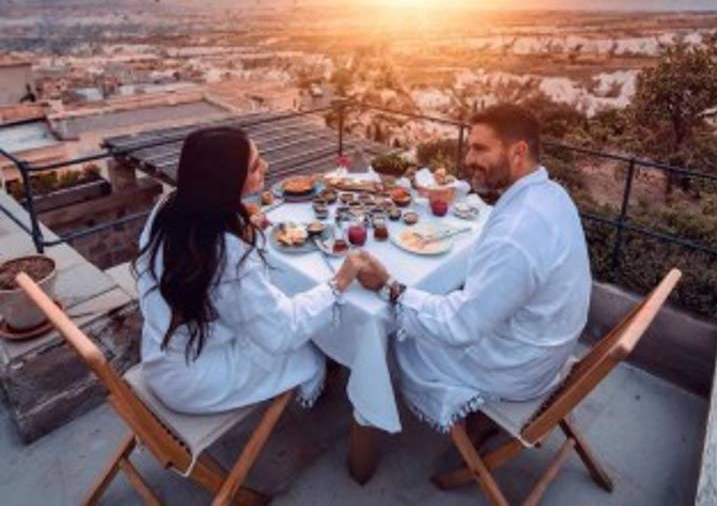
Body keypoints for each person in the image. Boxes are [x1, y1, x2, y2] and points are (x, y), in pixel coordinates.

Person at [356, 103, 592, 432]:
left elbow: (460, 326)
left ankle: (369, 417)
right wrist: (463, 188)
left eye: (479, 148)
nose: (468, 159)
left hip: (517, 366)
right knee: (434, 296)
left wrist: (390, 286)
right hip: (548, 346)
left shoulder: (515, 236)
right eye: (470, 147)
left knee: (392, 332)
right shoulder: (551, 193)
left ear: (517, 152)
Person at [134, 126, 363, 414]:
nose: (266, 166)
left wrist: (241, 226)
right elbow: (282, 331)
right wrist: (339, 282)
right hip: (196, 381)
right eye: (255, 166)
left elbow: (209, 270)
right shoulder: (228, 252)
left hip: (160, 354)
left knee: (290, 316)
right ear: (226, 181)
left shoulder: (169, 209)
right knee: (312, 348)